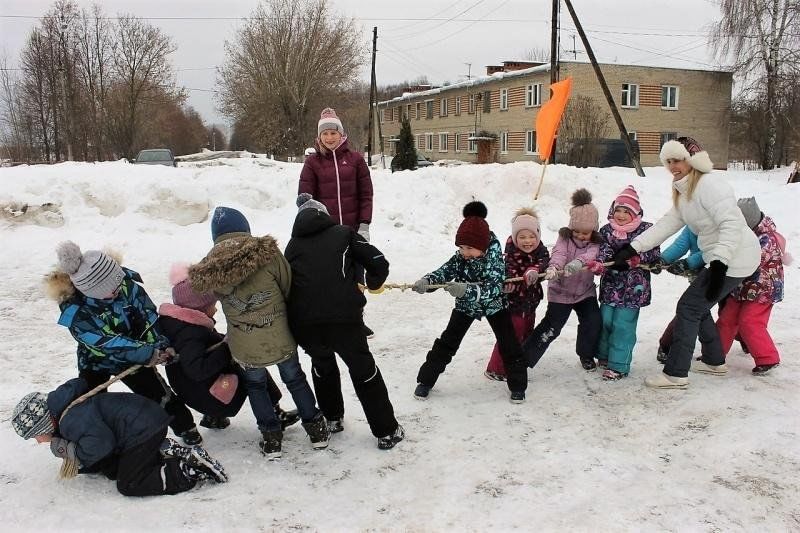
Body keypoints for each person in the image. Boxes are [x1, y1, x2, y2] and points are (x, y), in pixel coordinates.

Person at [611, 136, 761, 389]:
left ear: (692, 159)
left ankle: (676, 374)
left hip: (734, 257)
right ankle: (714, 361)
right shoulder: (684, 190)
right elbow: (668, 224)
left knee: (688, 308)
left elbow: (731, 224)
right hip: (722, 258)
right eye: (668, 161)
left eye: (678, 160)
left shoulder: (710, 184)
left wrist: (719, 265)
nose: (673, 166)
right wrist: (632, 248)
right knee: (697, 307)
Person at [189, 206, 329, 458]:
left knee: (256, 386)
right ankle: (316, 429)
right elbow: (287, 286)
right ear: (245, 228)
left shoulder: (208, 267)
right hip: (278, 333)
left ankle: (271, 436)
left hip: (243, 341)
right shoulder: (268, 253)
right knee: (295, 378)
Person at [47, 241, 201, 445]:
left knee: (158, 394)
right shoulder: (76, 313)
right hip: (96, 361)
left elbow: (147, 315)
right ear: (93, 291)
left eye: (119, 282)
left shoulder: (125, 285)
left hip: (136, 355)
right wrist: (148, 353)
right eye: (113, 289)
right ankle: (89, 441)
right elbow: (108, 343)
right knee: (90, 403)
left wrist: (160, 344)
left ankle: (185, 427)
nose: (119, 288)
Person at [284, 194, 404, 450]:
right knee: (363, 370)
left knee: (322, 365)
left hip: (307, 324)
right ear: (325, 215)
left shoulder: (292, 246)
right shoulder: (343, 233)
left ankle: (332, 418)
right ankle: (386, 431)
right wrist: (372, 283)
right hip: (344, 320)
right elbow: (378, 261)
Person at [11, 378, 226, 497]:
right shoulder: (67, 409)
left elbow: (100, 445)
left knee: (129, 483)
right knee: (113, 469)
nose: (39, 441)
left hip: (143, 429)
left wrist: (70, 451)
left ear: (45, 423)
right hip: (142, 422)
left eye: (36, 435)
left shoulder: (71, 420)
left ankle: (189, 470)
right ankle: (164, 449)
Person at [411, 201, 528, 403]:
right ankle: (426, 381)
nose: (464, 252)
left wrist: (466, 290)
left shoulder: (494, 257)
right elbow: (445, 271)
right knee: (448, 341)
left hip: (494, 306)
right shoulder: (461, 257)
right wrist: (427, 281)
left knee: (509, 344)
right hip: (465, 306)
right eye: (461, 247)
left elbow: (493, 287)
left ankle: (518, 386)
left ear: (482, 246)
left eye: (469, 248)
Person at [159, 263, 299, 431]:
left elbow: (206, 348)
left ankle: (214, 419)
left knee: (227, 361)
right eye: (211, 304)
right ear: (199, 307)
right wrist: (228, 347)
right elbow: (197, 369)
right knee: (249, 364)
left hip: (193, 391)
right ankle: (275, 414)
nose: (216, 308)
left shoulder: (179, 325)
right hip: (209, 398)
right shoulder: (190, 334)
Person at [299, 107, 375, 336]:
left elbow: (366, 194)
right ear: (319, 137)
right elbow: (306, 197)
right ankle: (331, 319)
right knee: (329, 275)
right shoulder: (312, 163)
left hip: (352, 230)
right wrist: (309, 217)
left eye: (333, 132)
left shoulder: (356, 160)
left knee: (355, 275)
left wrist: (364, 224)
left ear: (341, 134)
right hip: (326, 233)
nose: (330, 137)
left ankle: (356, 320)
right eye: (325, 134)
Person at [522, 189, 603, 373]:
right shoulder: (565, 238)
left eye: (585, 232)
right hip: (561, 291)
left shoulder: (596, 242)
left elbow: (591, 255)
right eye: (577, 231)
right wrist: (554, 268)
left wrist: (578, 262)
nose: (580, 236)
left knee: (593, 321)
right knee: (551, 327)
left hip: (585, 291)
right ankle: (524, 357)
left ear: (594, 229)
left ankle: (586, 354)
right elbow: (559, 253)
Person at [591, 186, 660, 380]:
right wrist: (600, 265)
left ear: (635, 213)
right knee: (605, 321)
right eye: (617, 210)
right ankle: (604, 356)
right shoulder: (606, 230)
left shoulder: (646, 231)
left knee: (623, 325)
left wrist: (636, 259)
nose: (620, 215)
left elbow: (654, 252)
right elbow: (603, 251)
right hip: (611, 287)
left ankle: (619, 365)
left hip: (633, 291)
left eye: (626, 211)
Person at [715, 197, 786, 374]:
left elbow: (752, 260)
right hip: (740, 287)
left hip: (763, 290)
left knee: (749, 321)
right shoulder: (741, 235)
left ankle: (767, 358)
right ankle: (714, 354)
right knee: (726, 319)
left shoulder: (767, 239)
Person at [484, 207, 549, 381]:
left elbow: (545, 263)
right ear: (515, 237)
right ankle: (496, 369)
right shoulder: (511, 253)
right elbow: (507, 269)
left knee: (527, 333)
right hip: (514, 304)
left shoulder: (541, 250)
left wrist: (535, 270)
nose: (527, 241)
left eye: (531, 236)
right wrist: (509, 282)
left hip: (531, 302)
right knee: (511, 336)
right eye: (522, 237)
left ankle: (517, 363)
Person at [651, 226, 706, 363]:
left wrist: (689, 262)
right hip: (701, 275)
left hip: (727, 272)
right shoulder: (693, 223)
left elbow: (714, 250)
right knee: (691, 311)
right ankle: (667, 344)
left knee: (730, 312)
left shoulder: (720, 220)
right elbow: (680, 244)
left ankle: (744, 339)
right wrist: (663, 259)